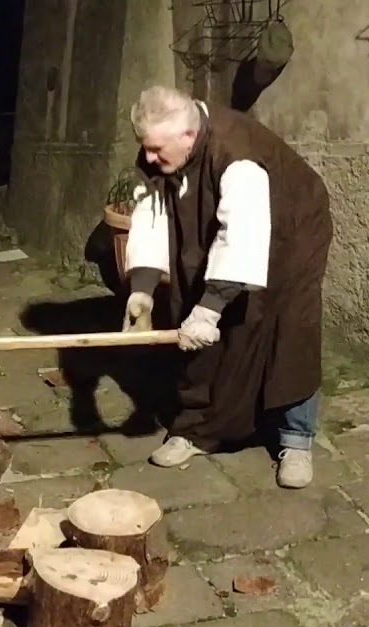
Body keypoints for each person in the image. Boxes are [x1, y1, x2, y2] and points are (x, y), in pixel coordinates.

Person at [120, 85, 333, 489]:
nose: (148, 158)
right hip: (225, 227)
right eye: (145, 148)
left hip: (294, 229)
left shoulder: (238, 155)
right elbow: (151, 213)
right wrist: (142, 289)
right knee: (194, 321)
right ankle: (198, 428)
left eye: (156, 150)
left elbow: (243, 233)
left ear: (189, 135)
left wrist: (211, 307)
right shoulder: (163, 148)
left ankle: (296, 439)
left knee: (290, 330)